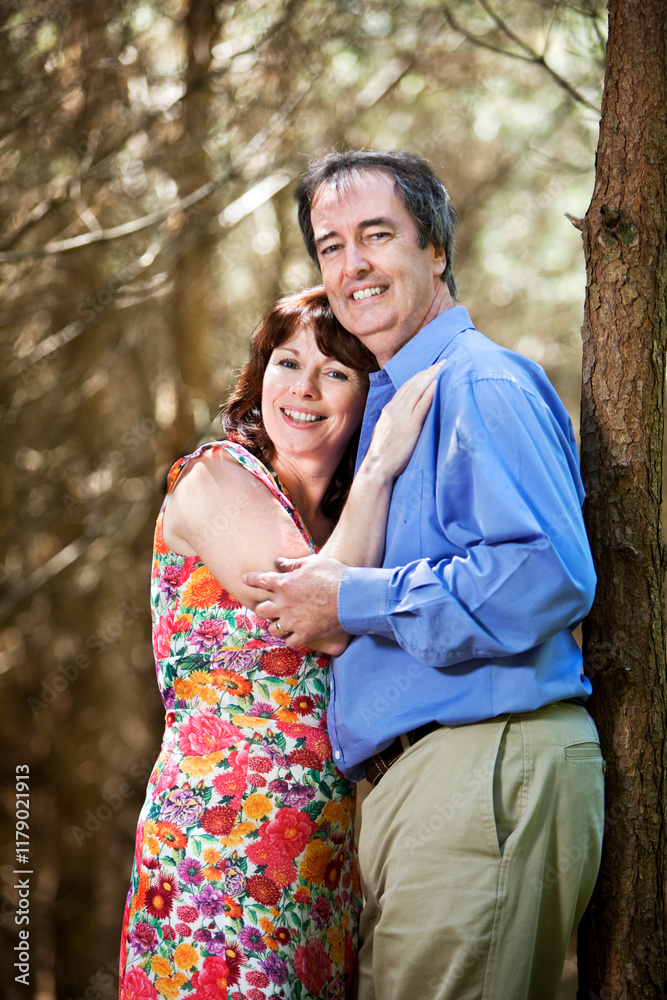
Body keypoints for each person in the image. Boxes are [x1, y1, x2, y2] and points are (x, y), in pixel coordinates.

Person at [243, 151, 606, 1000]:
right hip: (426, 785)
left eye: (376, 235)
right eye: (330, 246)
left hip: (482, 765)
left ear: (435, 249)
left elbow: (544, 572)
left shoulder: (478, 383)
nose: (352, 265)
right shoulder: (392, 403)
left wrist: (351, 600)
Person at [118, 286, 438, 999]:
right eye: (287, 362)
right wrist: (380, 465)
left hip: (323, 851)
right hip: (217, 842)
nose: (303, 389)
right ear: (259, 374)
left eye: (335, 372)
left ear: (367, 395)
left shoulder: (350, 522)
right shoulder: (216, 479)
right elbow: (320, 614)